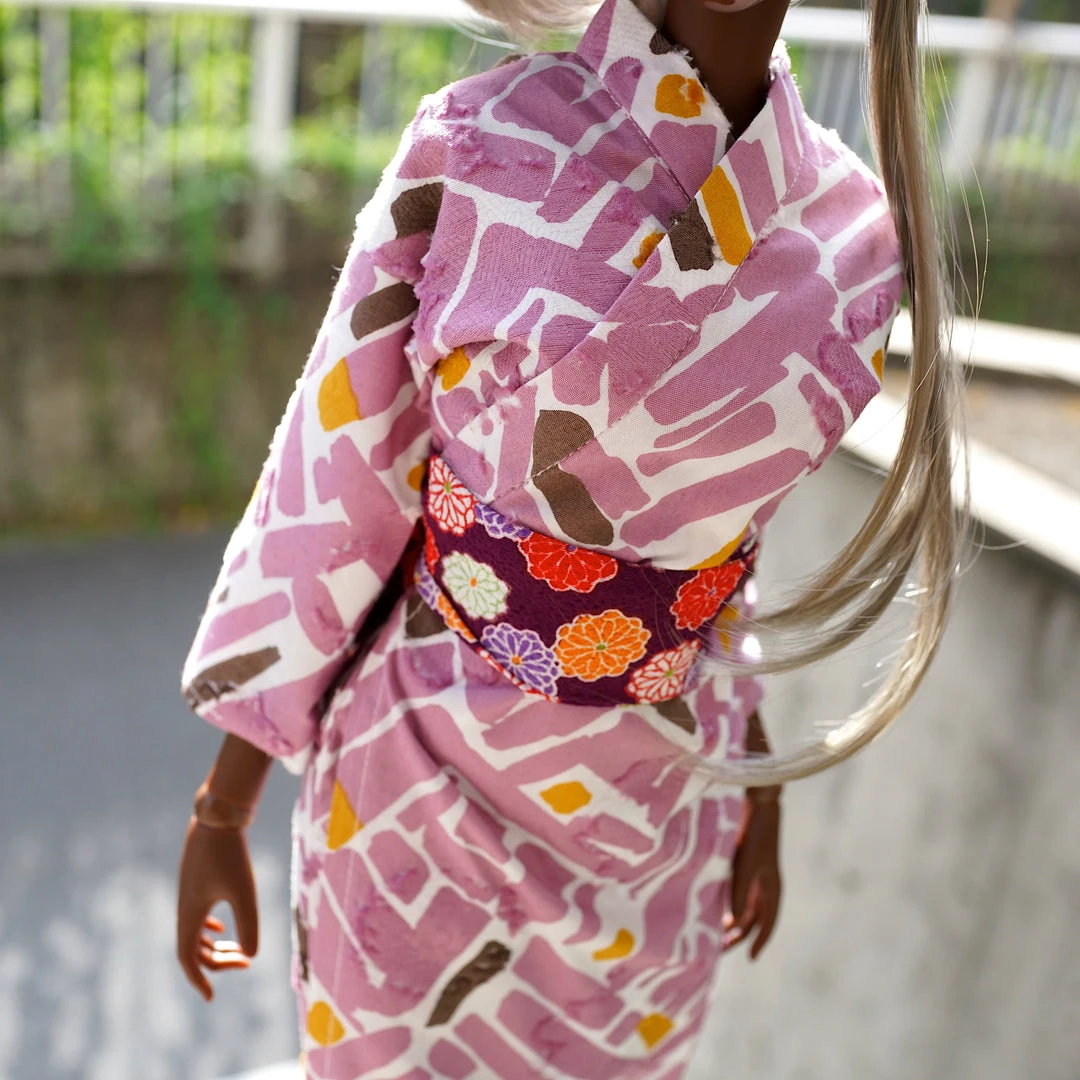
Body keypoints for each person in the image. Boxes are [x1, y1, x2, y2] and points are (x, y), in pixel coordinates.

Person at [176, 0, 961, 1074]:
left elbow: (734, 545)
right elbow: (342, 464)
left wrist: (759, 776)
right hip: (420, 782)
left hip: (661, 812)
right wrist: (225, 798)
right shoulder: (479, 142)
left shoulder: (856, 236)